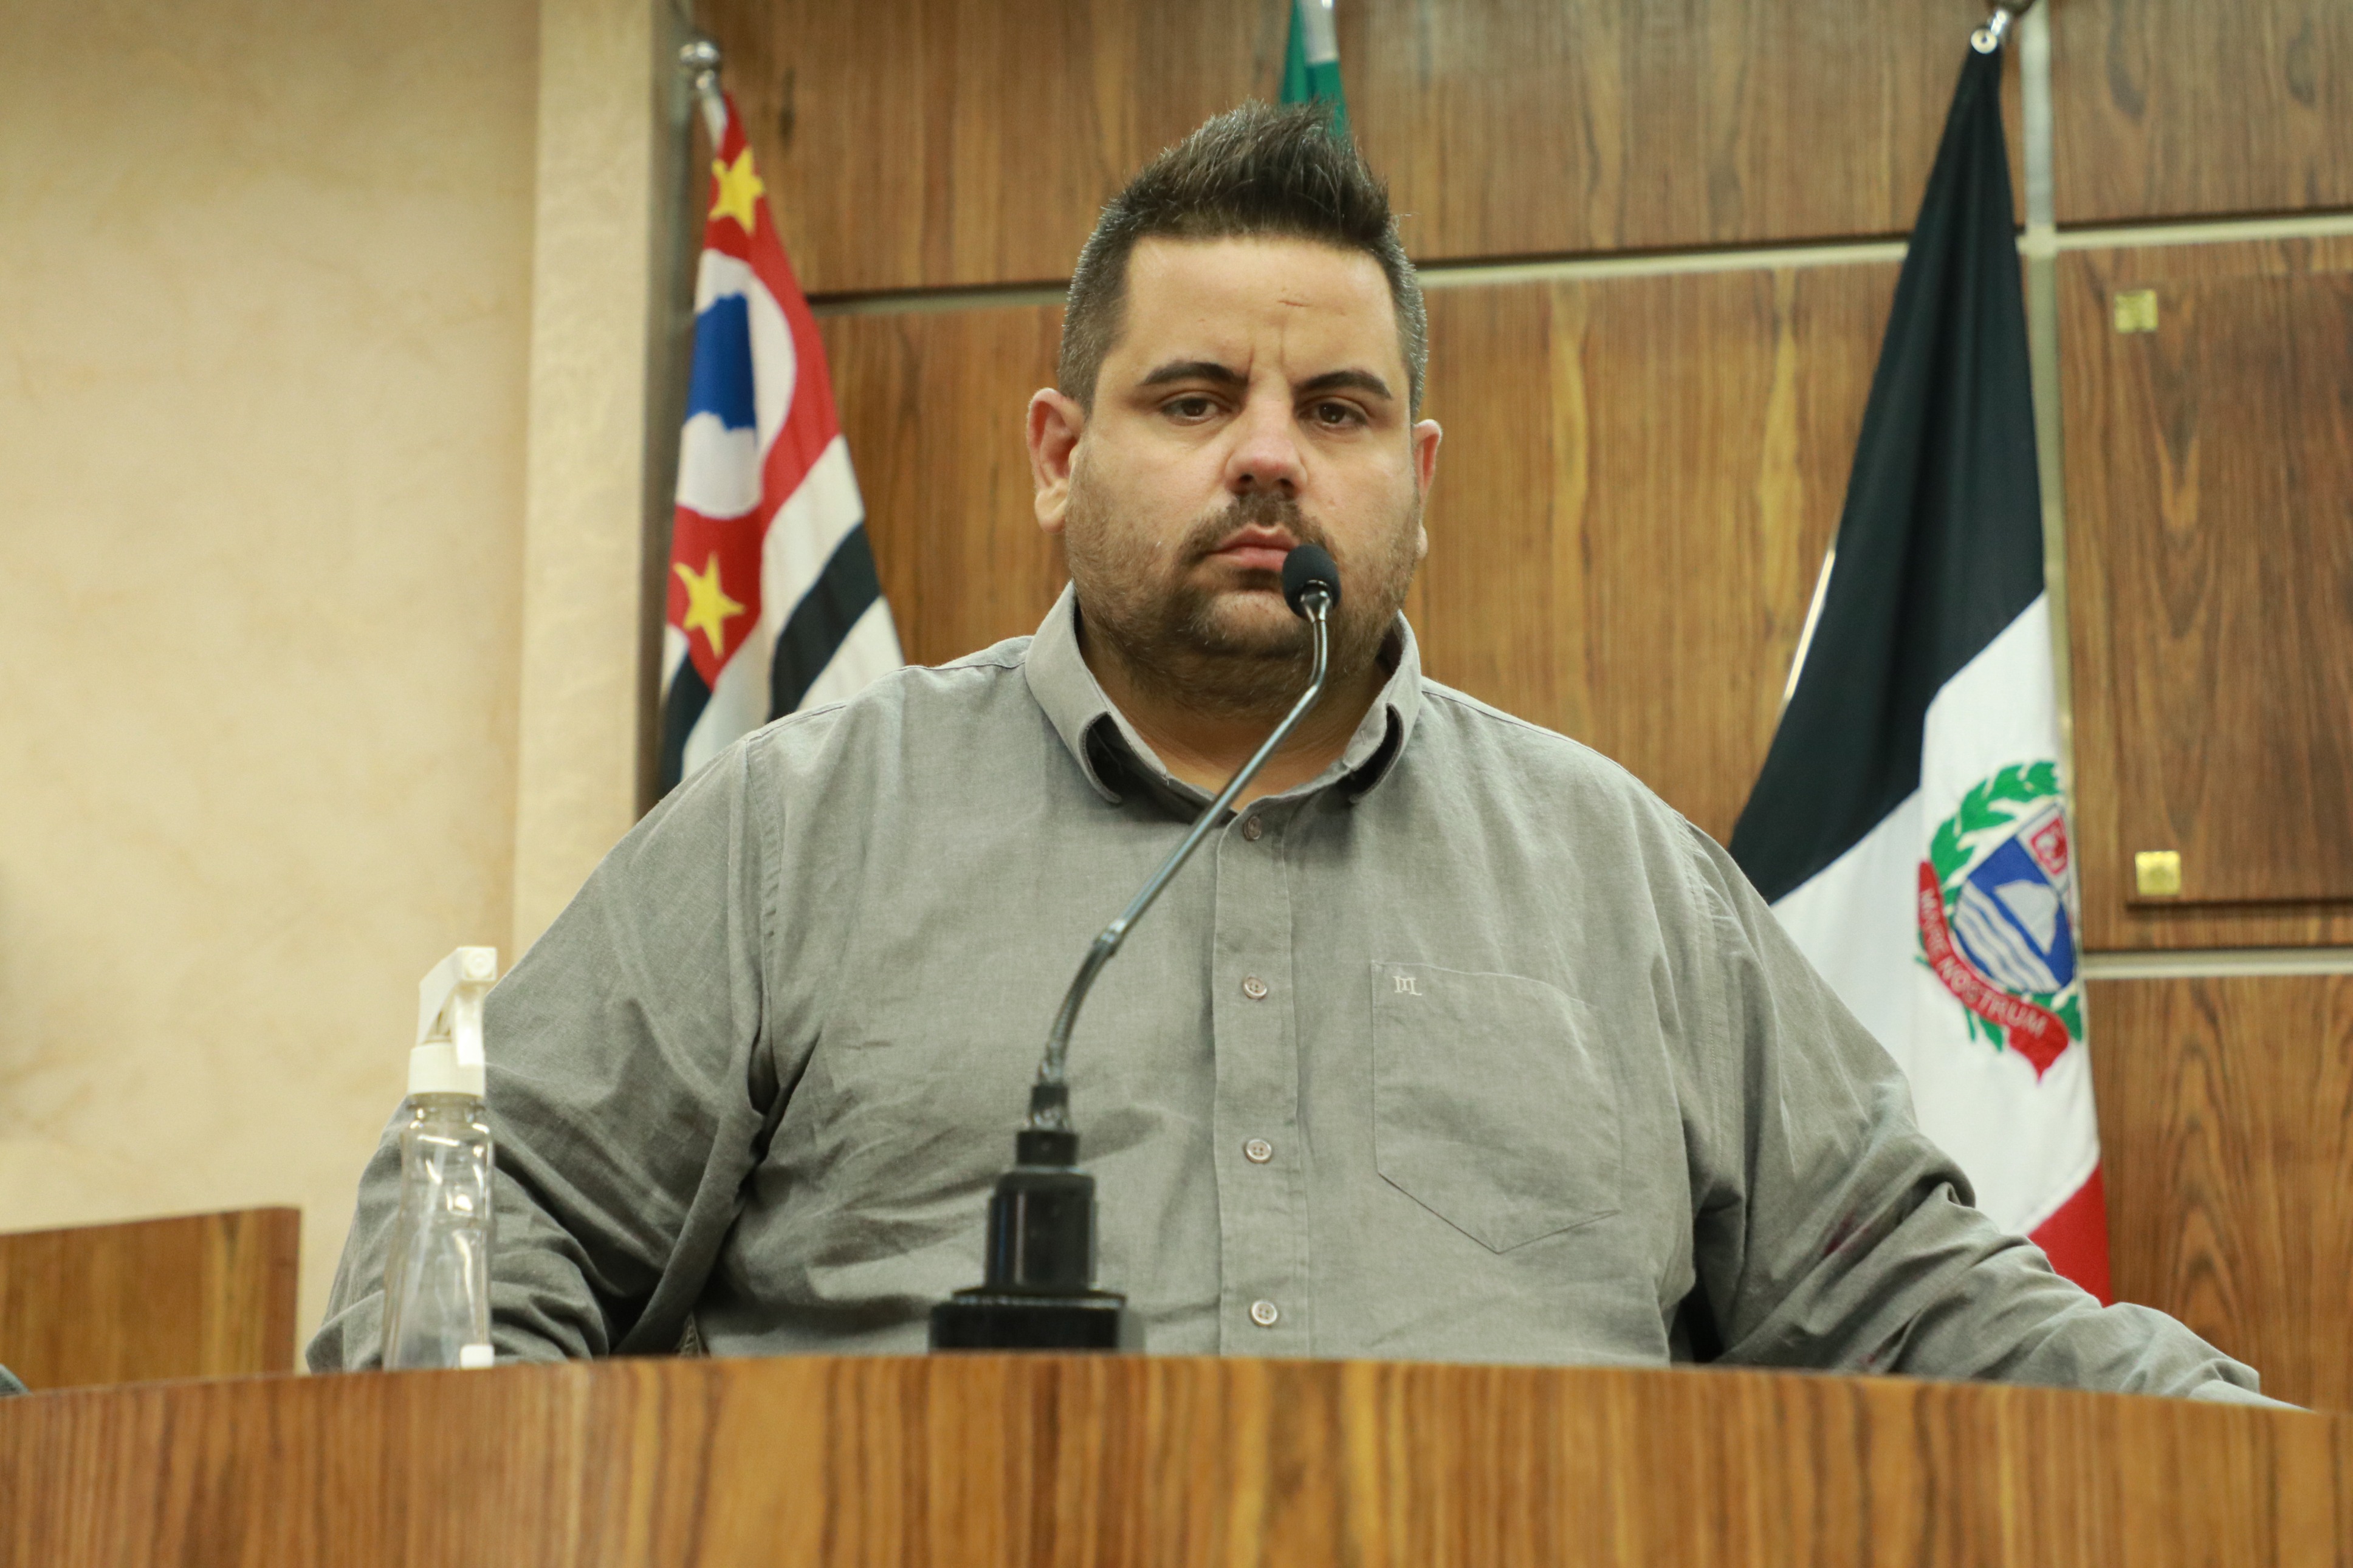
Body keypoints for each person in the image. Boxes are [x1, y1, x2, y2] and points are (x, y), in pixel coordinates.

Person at [312, 103, 2269, 1403]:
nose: (1268, 454)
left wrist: (2247, 1449)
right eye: (1192, 398)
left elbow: (1910, 1295)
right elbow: (489, 1218)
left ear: (1414, 475)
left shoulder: (1621, 877)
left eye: (1335, 409)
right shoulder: (797, 830)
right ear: (1059, 456)